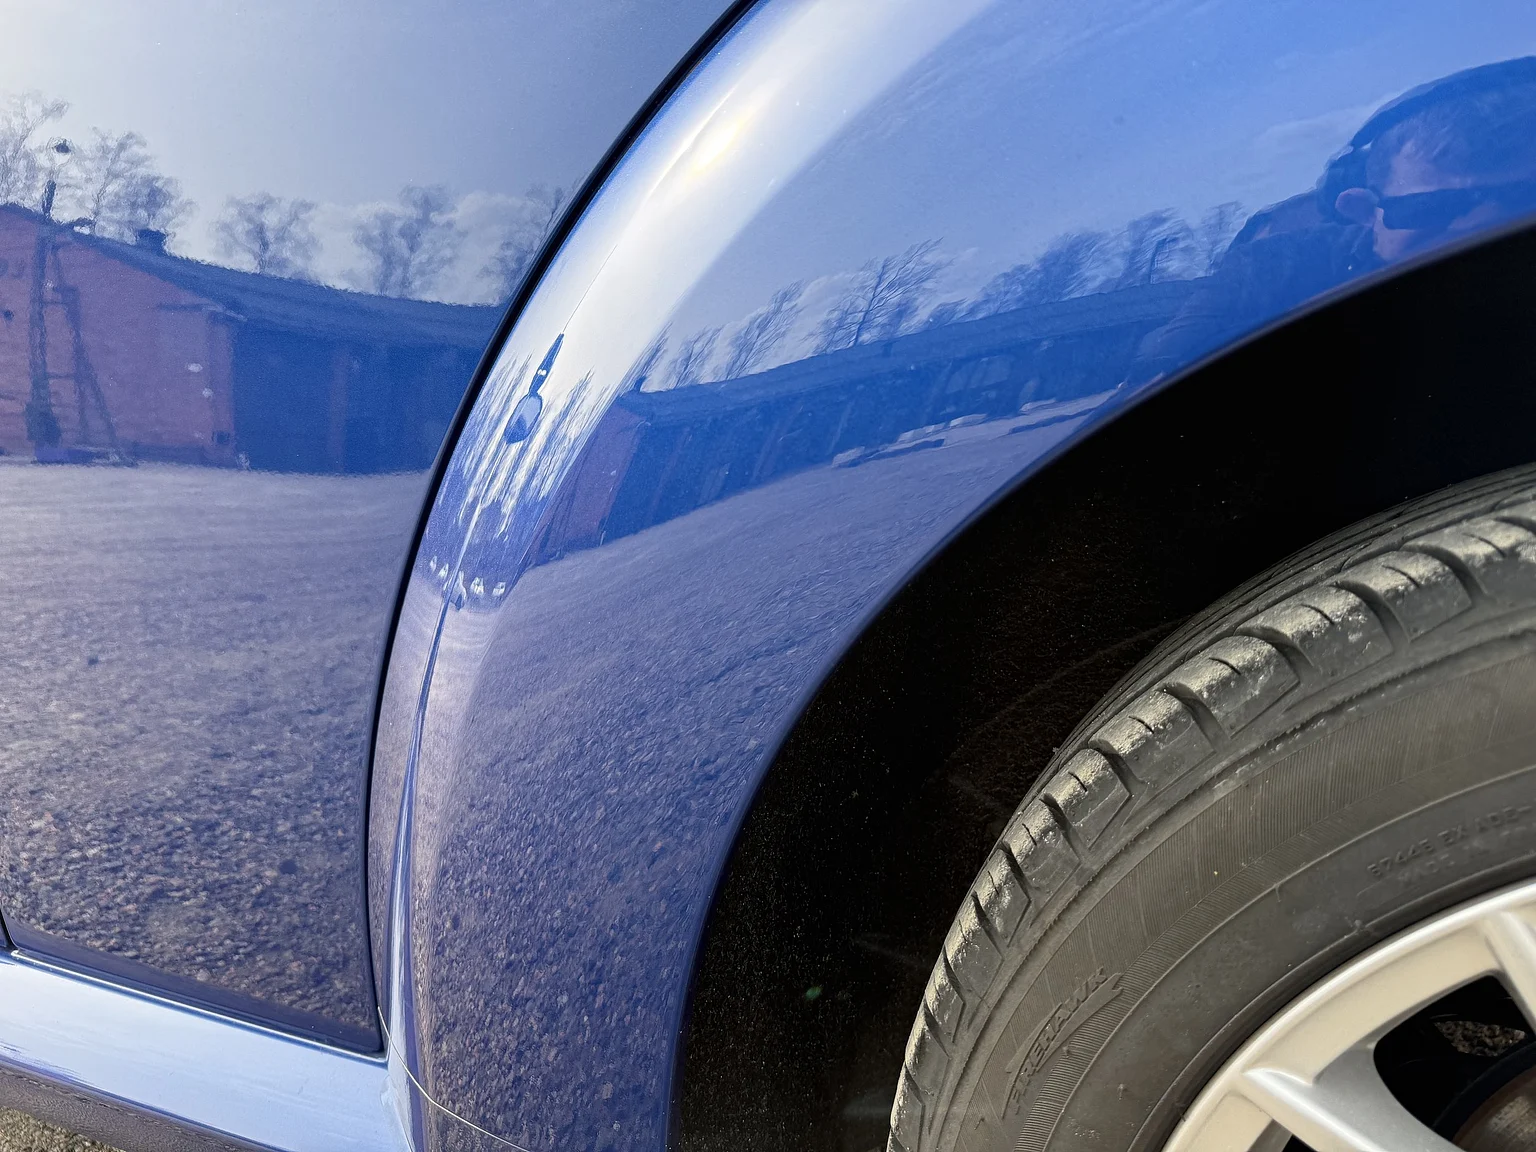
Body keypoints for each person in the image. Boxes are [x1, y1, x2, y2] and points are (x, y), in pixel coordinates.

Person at [1133, 57, 1536, 383]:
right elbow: (1165, 367)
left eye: (1521, 200)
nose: (1488, 225)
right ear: (1364, 210)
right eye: (1436, 209)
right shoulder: (1267, 275)